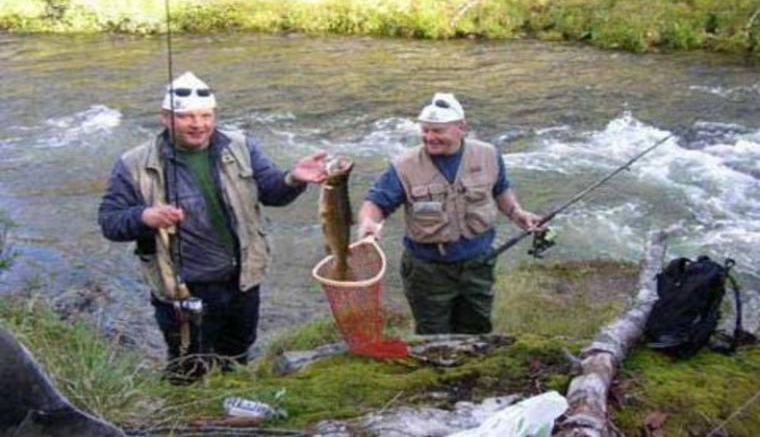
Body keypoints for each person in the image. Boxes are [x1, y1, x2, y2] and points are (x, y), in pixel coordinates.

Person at [98, 71, 326, 382]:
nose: (198, 124)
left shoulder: (241, 146)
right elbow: (109, 222)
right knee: (187, 365)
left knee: (238, 355)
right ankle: (185, 408)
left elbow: (273, 192)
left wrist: (294, 179)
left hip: (243, 280)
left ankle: (230, 400)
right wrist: (144, 217)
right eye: (186, 116)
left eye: (206, 116)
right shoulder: (133, 163)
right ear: (165, 117)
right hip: (183, 288)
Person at [357, 93, 541, 335]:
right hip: (427, 269)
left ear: (461, 128)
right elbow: (376, 202)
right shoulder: (404, 166)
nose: (429, 137)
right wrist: (369, 223)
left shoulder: (488, 155)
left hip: (478, 263)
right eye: (425, 130)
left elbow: (500, 189)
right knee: (433, 335)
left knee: (477, 329)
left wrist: (517, 213)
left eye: (438, 131)